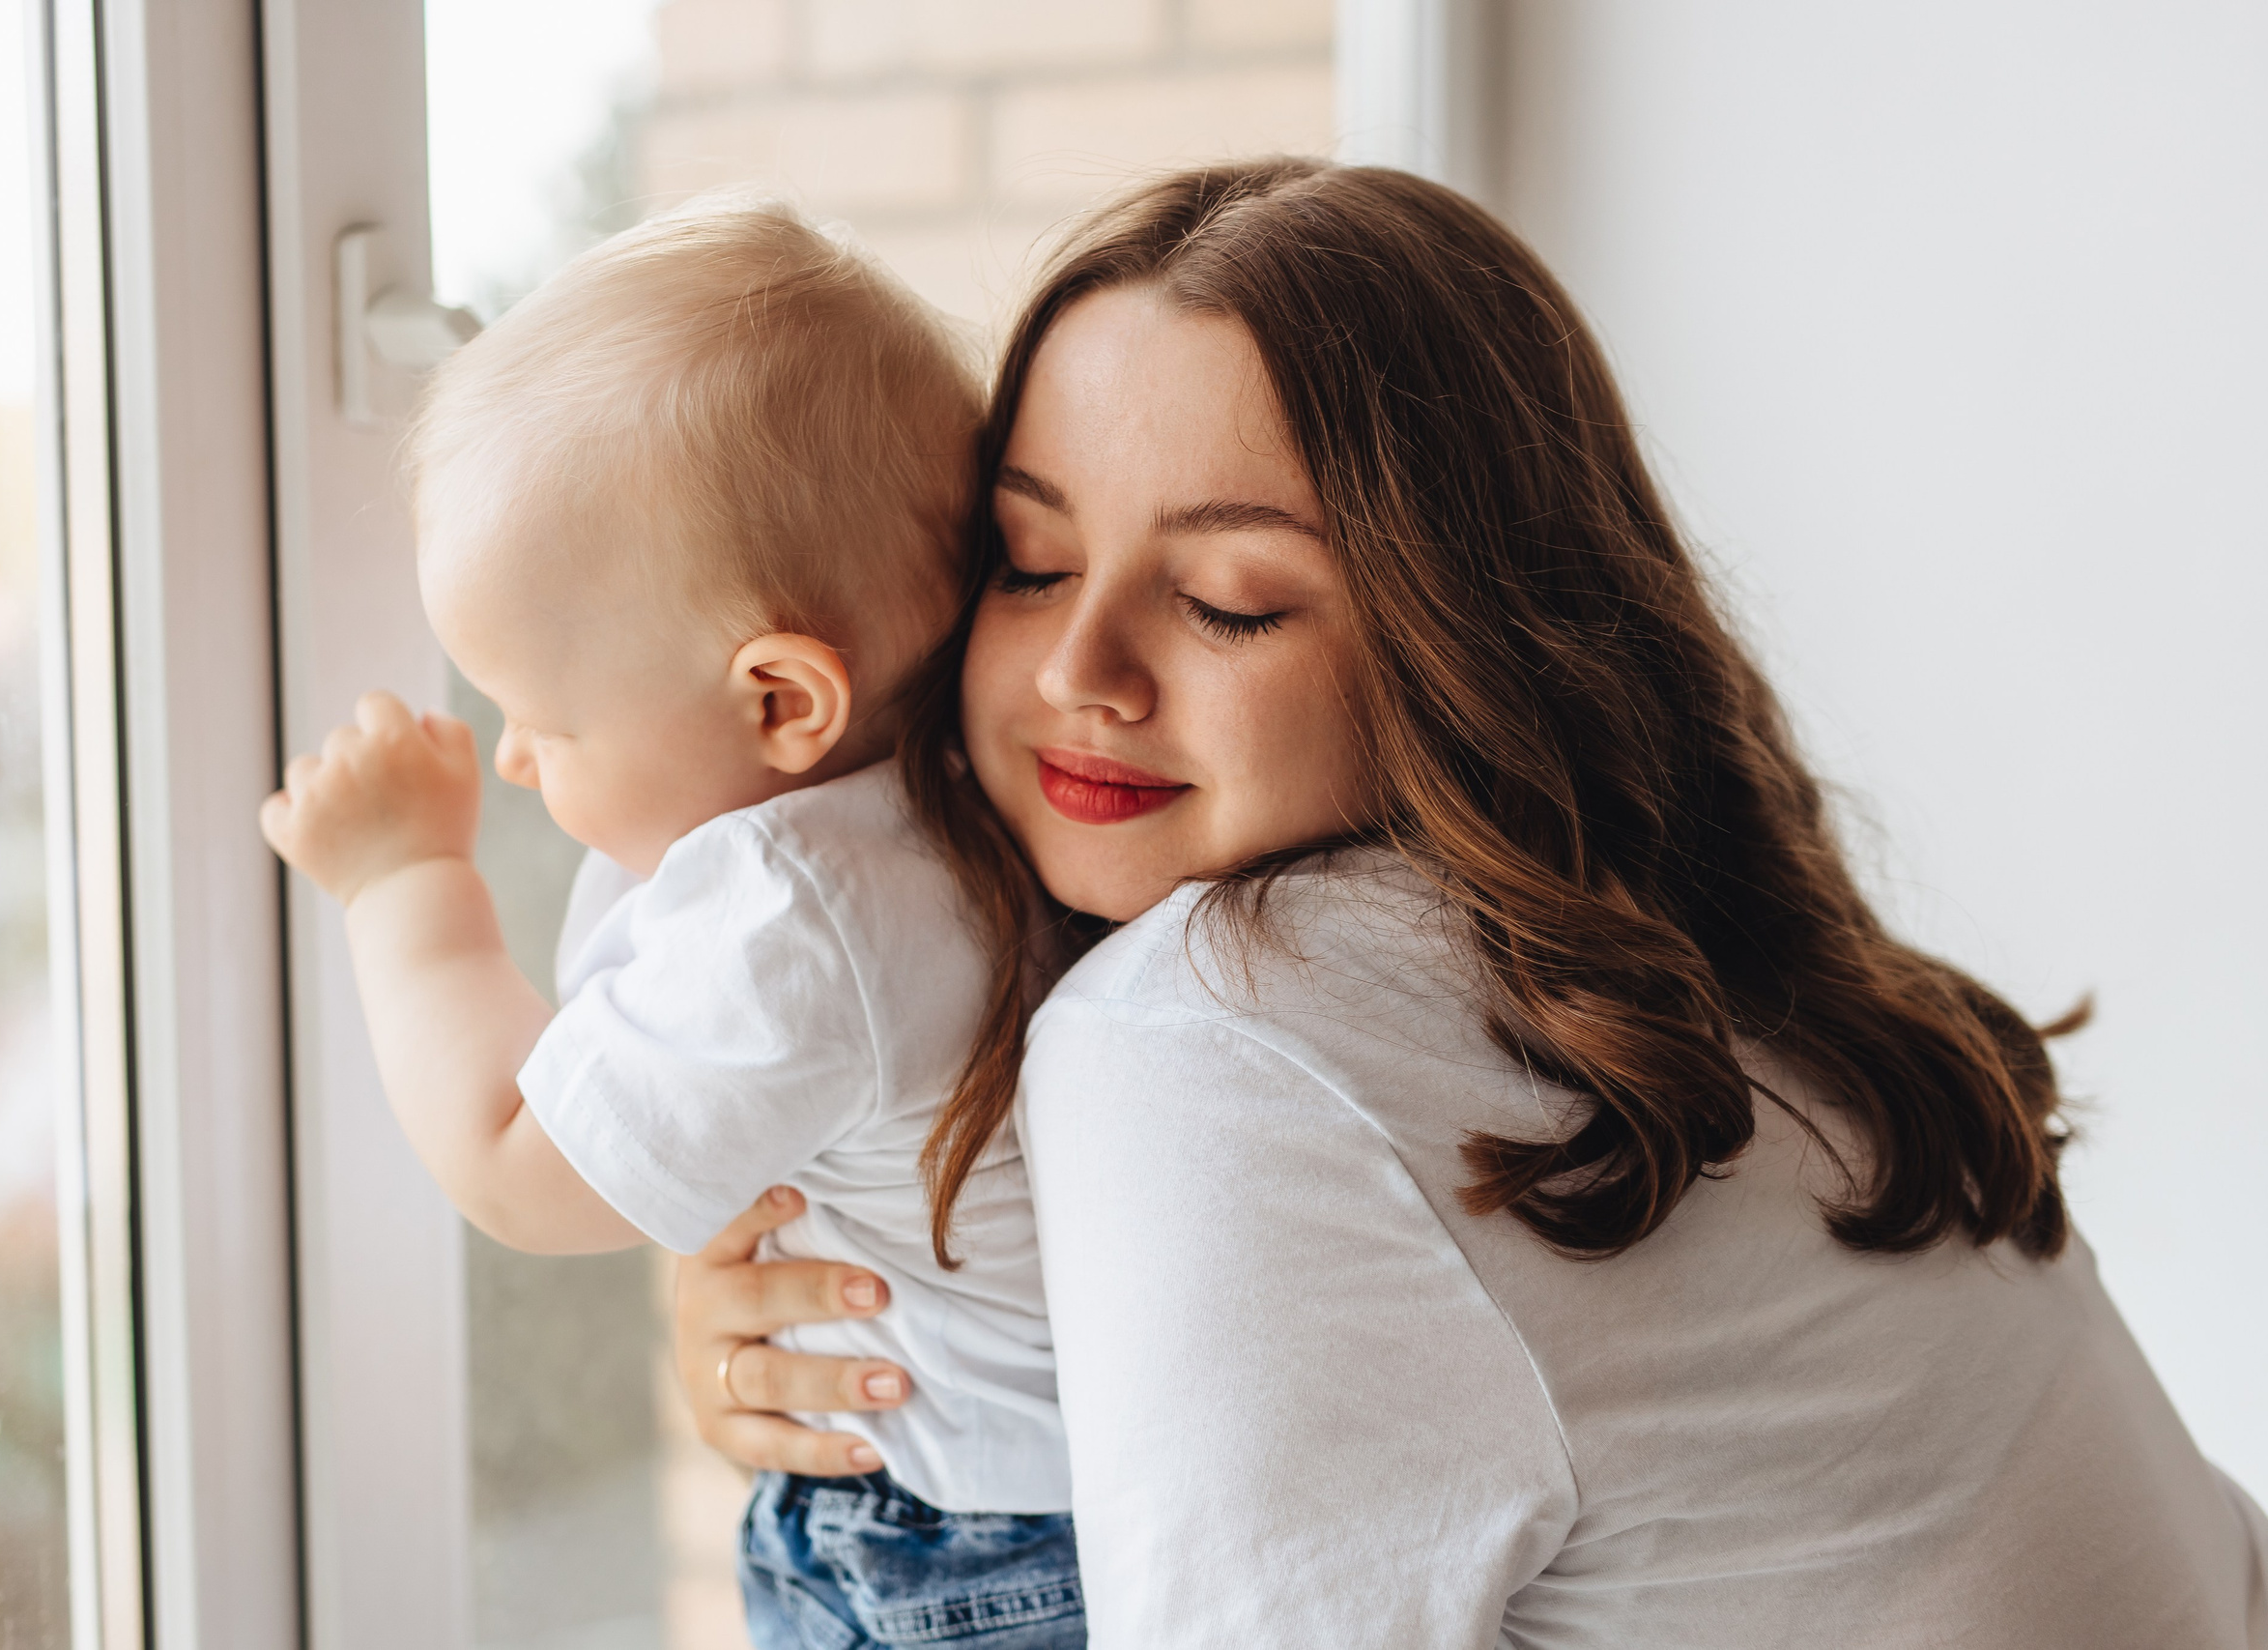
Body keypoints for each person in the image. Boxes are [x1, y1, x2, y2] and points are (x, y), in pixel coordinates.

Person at [671, 159, 2268, 1647]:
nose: (1081, 673)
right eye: (1027, 565)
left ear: (1468, 641)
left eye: (1229, 604)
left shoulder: (1210, 1028)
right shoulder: (1702, 960)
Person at [257, 196, 1085, 1649]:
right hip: (1018, 1521)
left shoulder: (797, 910)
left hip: (956, 1550)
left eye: (543, 718)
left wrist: (406, 884)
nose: (513, 759)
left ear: (779, 702)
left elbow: (519, 1168)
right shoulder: (940, 813)